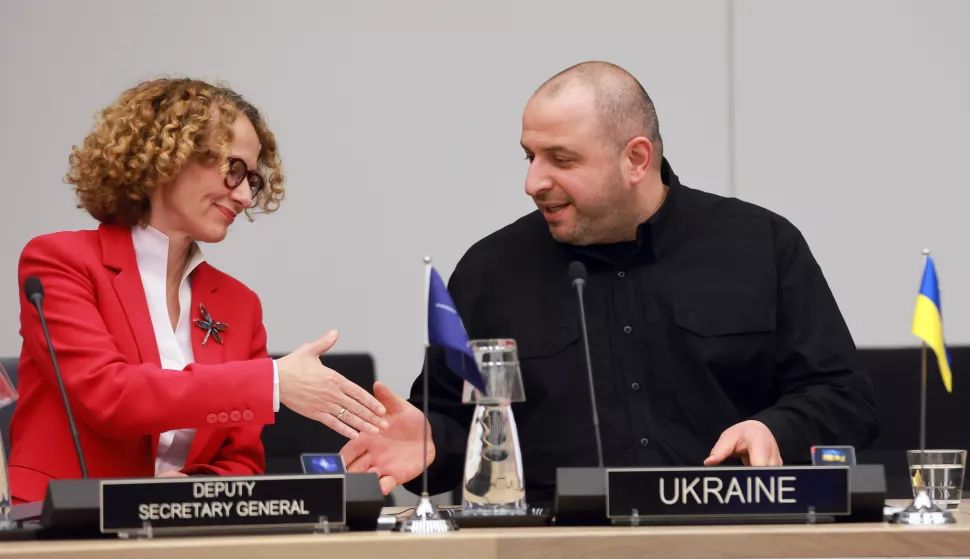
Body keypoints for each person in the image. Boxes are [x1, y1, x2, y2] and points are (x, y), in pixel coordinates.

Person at [341, 61, 879, 502]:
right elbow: (449, 431)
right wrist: (429, 447)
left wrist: (774, 430)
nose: (533, 182)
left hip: (730, 530)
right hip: (554, 545)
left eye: (561, 159)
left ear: (636, 159)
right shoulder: (489, 272)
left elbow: (844, 397)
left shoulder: (761, 244)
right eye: (529, 156)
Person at [10, 78, 388, 504]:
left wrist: (193, 487)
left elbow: (241, 459)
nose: (245, 195)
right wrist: (271, 382)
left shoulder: (239, 305)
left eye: (253, 180)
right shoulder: (59, 260)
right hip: (58, 529)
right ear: (167, 155)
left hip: (187, 533)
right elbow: (107, 394)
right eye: (234, 169)